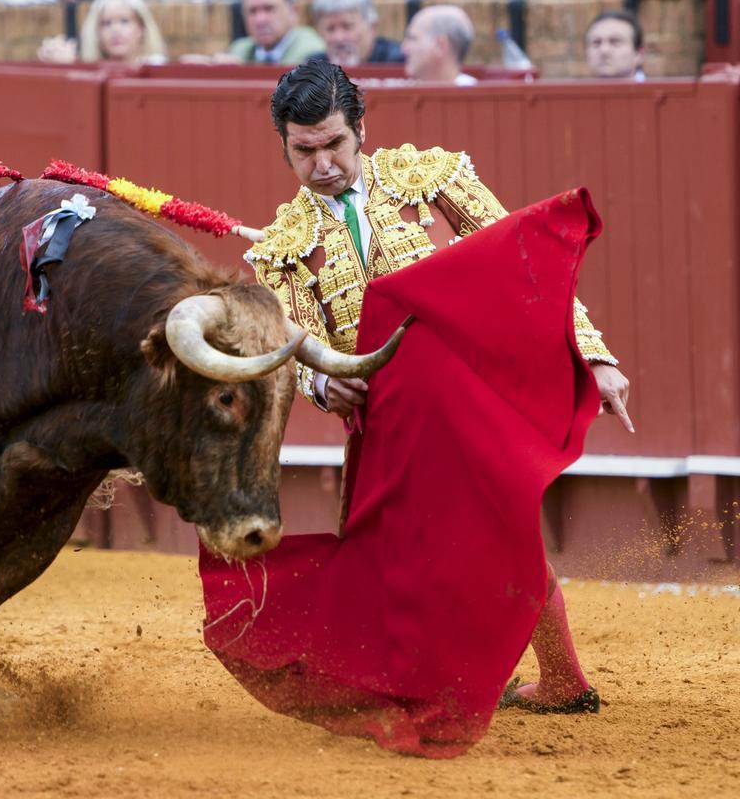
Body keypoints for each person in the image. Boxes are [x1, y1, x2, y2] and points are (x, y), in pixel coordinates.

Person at [202, 60, 634, 754]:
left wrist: (595, 355)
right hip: (388, 420)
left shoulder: (426, 178)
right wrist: (321, 384)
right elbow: (299, 342)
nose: (322, 164)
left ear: (361, 130)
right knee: (401, 557)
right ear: (284, 145)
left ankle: (556, 676)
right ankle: (467, 680)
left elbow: (528, 260)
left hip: (466, 391)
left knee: (495, 530)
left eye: (335, 144)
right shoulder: (282, 248)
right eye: (304, 150)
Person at [37, 0, 166, 65]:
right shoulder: (91, 70)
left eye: (124, 21)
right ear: (96, 33)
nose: (115, 30)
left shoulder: (157, 66)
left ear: (141, 28)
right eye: (106, 23)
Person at [308, 0, 403, 67]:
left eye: (347, 27)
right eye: (330, 29)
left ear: (372, 27)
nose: (338, 38)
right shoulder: (313, 67)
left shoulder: (397, 62)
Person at [229, 0, 325, 65]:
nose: (260, 20)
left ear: (293, 11)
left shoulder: (313, 53)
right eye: (252, 11)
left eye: (269, 9)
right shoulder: (239, 51)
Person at [401, 3, 476, 85]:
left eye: (413, 39)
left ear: (441, 46)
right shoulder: (397, 93)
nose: (404, 49)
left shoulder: (479, 96)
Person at [585, 9, 645, 81]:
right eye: (596, 43)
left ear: (639, 53)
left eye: (615, 42)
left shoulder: (655, 91)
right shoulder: (574, 92)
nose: (604, 50)